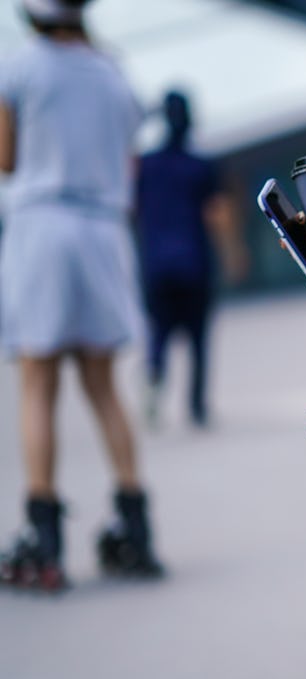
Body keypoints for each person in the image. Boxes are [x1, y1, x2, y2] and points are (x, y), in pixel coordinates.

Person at [0, 0, 163, 590]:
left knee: (38, 381)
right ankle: (136, 523)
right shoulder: (111, 70)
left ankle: (43, 538)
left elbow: (7, 157)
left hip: (42, 225)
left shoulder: (19, 68)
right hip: (103, 229)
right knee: (102, 383)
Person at [135, 90, 247, 428]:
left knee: (158, 332)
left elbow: (132, 211)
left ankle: (154, 381)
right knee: (199, 338)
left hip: (156, 264)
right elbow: (217, 212)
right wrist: (233, 252)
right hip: (194, 263)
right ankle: (196, 406)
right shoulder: (201, 166)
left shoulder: (146, 166)